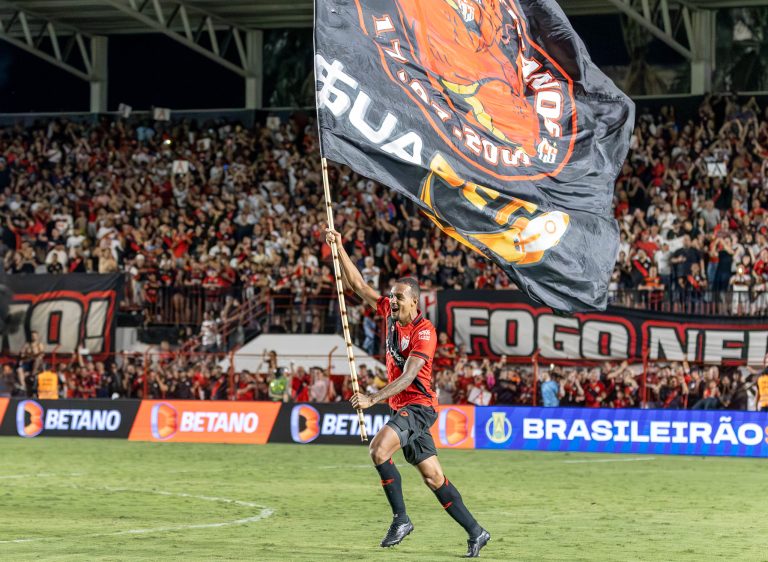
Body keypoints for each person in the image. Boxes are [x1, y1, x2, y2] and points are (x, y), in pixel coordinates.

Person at [326, 228, 490, 557]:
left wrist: (373, 398)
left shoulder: (424, 331)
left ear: (413, 301)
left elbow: (410, 374)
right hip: (402, 406)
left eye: (399, 297)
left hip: (418, 406)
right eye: (392, 296)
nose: (393, 301)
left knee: (378, 450)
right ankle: (476, 531)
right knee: (433, 478)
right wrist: (339, 247)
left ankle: (401, 519)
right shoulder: (388, 313)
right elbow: (357, 286)